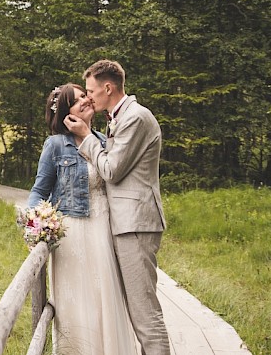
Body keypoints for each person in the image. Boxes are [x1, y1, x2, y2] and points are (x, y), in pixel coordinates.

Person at [64, 59, 170, 355]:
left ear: (107, 88)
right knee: (138, 312)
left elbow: (112, 170)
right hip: (127, 222)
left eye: (90, 90)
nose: (87, 97)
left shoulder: (135, 117)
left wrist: (85, 137)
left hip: (136, 223)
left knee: (145, 313)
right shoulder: (118, 117)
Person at [26, 83, 140, 355]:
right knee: (75, 304)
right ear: (67, 112)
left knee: (105, 299)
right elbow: (39, 191)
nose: (87, 101)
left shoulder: (103, 141)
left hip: (103, 232)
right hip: (72, 235)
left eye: (86, 96)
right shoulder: (55, 145)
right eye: (79, 100)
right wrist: (34, 226)